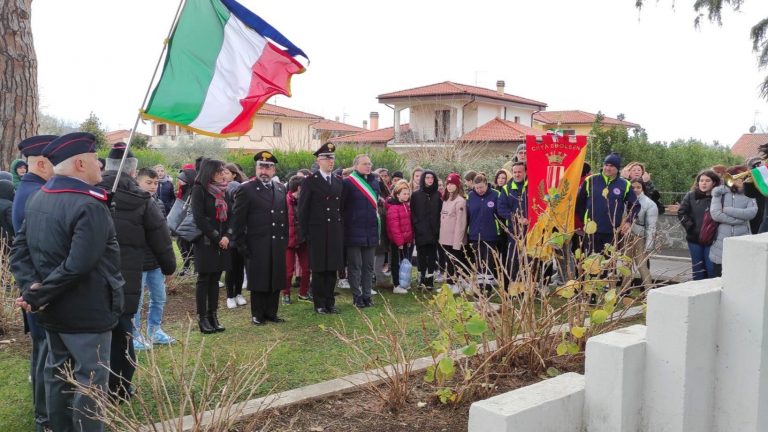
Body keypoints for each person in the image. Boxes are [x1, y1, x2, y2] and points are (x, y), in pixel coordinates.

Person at [11, 132, 124, 432]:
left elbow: (19, 252)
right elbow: (79, 264)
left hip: (52, 309)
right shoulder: (88, 205)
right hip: (87, 310)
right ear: (79, 164)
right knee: (91, 380)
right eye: (95, 160)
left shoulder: (40, 197)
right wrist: (37, 294)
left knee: (58, 375)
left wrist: (33, 289)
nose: (100, 166)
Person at [98, 143, 176, 398]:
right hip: (126, 278)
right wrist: (169, 267)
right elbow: (161, 237)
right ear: (133, 172)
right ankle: (120, 388)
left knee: (96, 334)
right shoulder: (142, 200)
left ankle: (93, 385)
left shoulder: (89, 191)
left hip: (94, 277)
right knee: (123, 334)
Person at [10, 134, 57, 431]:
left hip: (36, 286)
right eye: (55, 162)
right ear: (41, 163)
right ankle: (45, 417)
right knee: (45, 354)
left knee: (43, 351)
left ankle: (45, 414)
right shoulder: (35, 193)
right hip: (40, 287)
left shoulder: (31, 189)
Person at [232, 151, 289, 325]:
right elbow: (238, 220)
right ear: (256, 169)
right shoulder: (246, 189)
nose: (264, 171)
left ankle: (271, 312)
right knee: (259, 278)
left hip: (276, 241)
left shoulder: (280, 188)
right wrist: (241, 244)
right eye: (261, 167)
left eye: (268, 168)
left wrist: (285, 239)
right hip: (256, 243)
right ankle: (257, 314)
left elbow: (284, 216)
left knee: (275, 277)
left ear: (274, 170)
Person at [133, 168, 177, 349]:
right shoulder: (133, 203)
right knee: (137, 301)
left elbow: (163, 234)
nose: (153, 186)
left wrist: (167, 261)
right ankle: (135, 334)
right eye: (148, 183)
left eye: (156, 183)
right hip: (138, 261)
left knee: (159, 297)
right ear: (138, 182)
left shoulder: (158, 203)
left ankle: (154, 330)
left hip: (156, 261)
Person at [299, 142, 344, 314]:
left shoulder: (338, 182)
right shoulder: (310, 182)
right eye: (326, 158)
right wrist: (305, 234)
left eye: (332, 158)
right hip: (317, 232)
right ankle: (319, 303)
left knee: (332, 268)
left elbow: (341, 208)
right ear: (318, 161)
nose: (330, 161)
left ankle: (330, 302)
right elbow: (303, 210)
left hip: (334, 231)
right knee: (319, 269)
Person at [191, 159, 232, 333]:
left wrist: (227, 236)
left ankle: (213, 315)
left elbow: (232, 215)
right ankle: (203, 318)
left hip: (222, 242)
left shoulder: (224, 191)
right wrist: (217, 237)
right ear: (210, 172)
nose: (223, 175)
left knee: (215, 279)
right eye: (220, 171)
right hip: (206, 242)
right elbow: (199, 218)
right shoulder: (199, 190)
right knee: (204, 279)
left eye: (224, 171)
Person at [574, 152, 637, 255]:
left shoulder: (625, 184)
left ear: (617, 168)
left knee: (607, 262)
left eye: (611, 166)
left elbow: (635, 205)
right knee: (590, 261)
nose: (607, 168)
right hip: (591, 230)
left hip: (611, 231)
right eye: (606, 165)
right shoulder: (590, 180)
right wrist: (584, 219)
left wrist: (629, 221)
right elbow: (579, 202)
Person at [342, 154, 381, 307]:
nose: (368, 166)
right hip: (353, 231)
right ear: (356, 166)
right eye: (365, 164)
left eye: (370, 164)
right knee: (355, 266)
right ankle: (357, 296)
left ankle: (367, 295)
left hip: (370, 230)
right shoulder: (348, 183)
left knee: (369, 267)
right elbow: (342, 207)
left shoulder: (375, 183)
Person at [709, 165, 757, 277]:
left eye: (744, 177)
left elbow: (751, 213)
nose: (742, 180)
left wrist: (727, 210)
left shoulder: (749, 194)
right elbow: (716, 215)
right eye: (739, 177)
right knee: (719, 277)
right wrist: (741, 219)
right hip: (720, 243)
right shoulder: (719, 193)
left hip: (743, 239)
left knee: (740, 275)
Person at [677, 170, 721, 280]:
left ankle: (711, 290)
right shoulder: (691, 195)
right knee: (698, 269)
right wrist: (690, 226)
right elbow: (681, 212)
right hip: (695, 238)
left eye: (707, 181)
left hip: (713, 240)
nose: (704, 183)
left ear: (714, 182)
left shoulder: (719, 196)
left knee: (711, 269)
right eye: (701, 180)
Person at [411, 169, 442, 289]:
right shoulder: (416, 195)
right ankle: (421, 278)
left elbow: (440, 212)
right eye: (427, 177)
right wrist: (417, 225)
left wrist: (437, 227)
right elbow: (413, 212)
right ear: (423, 179)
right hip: (420, 231)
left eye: (432, 178)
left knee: (432, 255)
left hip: (434, 231)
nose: (430, 180)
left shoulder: (437, 195)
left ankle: (430, 279)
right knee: (421, 255)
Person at [498, 161, 528, 281]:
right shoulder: (506, 188)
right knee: (513, 258)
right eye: (515, 172)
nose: (517, 174)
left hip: (531, 229)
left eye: (519, 172)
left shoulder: (533, 185)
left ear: (525, 172)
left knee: (529, 258)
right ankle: (514, 284)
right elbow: (501, 209)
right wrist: (517, 218)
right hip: (513, 230)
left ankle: (530, 285)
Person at [283, 175, 311, 303]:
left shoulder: (304, 201)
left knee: (306, 269)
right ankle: (286, 294)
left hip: (303, 240)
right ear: (300, 188)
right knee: (288, 271)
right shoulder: (283, 201)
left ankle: (303, 293)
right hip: (288, 241)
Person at [438, 173, 468, 294]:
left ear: (457, 186)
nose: (449, 186)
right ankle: (449, 283)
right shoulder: (446, 199)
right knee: (448, 262)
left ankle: (456, 284)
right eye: (448, 184)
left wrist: (457, 242)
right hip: (445, 238)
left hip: (454, 239)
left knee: (455, 262)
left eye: (452, 184)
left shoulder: (460, 201)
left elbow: (461, 224)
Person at [224, 162, 248, 309]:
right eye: (222, 173)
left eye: (227, 173)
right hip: (229, 234)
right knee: (231, 267)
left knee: (240, 266)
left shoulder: (237, 187)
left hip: (241, 233)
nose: (224, 175)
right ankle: (230, 295)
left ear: (234, 174)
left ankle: (238, 293)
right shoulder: (221, 190)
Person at [386, 180, 414, 293]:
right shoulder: (393, 208)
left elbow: (408, 225)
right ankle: (396, 285)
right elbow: (394, 227)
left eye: (408, 194)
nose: (406, 196)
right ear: (398, 195)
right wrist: (400, 242)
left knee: (404, 263)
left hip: (405, 241)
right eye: (404, 194)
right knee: (396, 263)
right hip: (397, 242)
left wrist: (409, 239)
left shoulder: (405, 205)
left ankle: (404, 282)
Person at [628, 179, 658, 287]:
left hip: (639, 237)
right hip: (626, 236)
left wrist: (649, 244)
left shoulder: (649, 204)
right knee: (625, 265)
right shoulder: (625, 199)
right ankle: (624, 290)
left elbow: (651, 226)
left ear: (643, 188)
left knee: (641, 265)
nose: (635, 190)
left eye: (638, 187)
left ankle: (649, 290)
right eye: (633, 187)